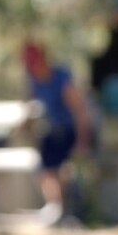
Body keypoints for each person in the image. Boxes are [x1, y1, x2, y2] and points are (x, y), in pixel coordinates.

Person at [22, 40, 92, 223]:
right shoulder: (35, 81)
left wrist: (82, 141)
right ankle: (55, 207)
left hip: (71, 130)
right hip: (52, 131)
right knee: (44, 169)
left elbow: (80, 111)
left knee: (66, 171)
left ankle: (72, 211)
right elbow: (31, 105)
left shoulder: (62, 78)